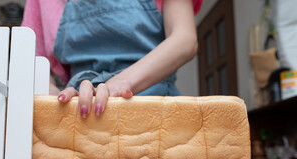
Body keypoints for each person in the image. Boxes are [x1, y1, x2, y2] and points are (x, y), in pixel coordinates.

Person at [22, 0, 202, 117]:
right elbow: (32, 60)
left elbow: (184, 39)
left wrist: (117, 85)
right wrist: (56, 98)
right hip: (80, 108)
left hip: (155, 106)